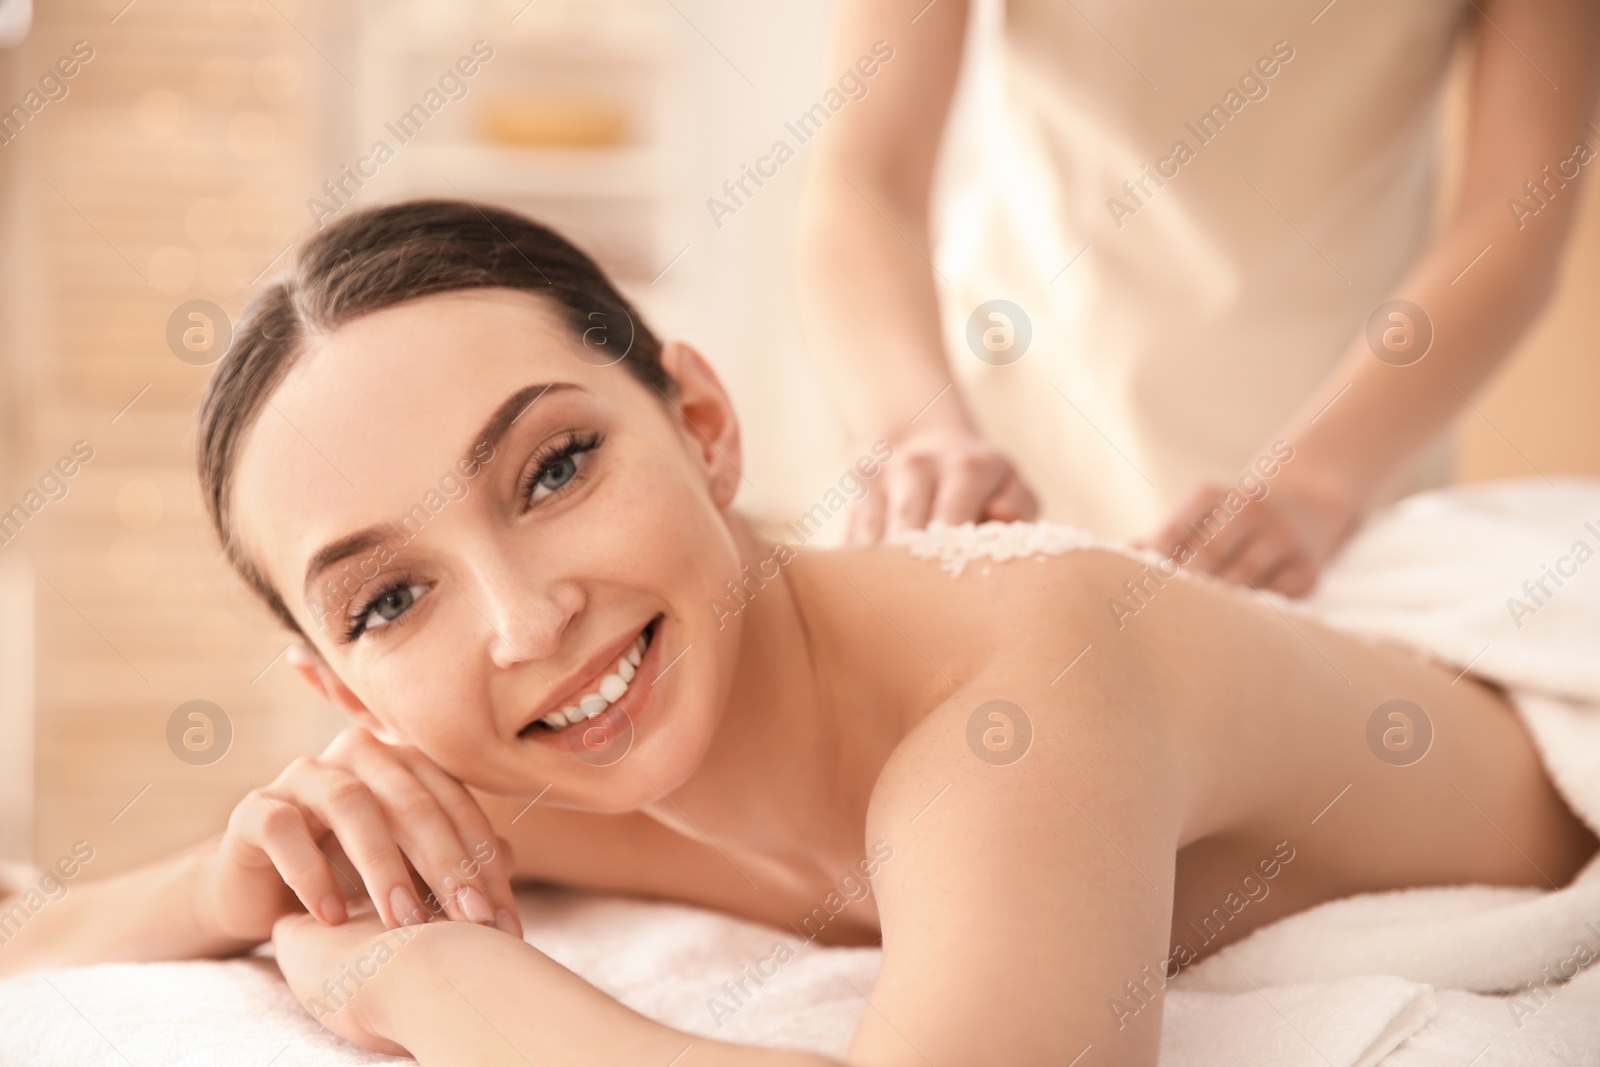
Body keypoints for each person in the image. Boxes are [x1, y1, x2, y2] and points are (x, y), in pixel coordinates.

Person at [0, 202, 1593, 1066]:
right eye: (390, 598)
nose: (524, 617)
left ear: (700, 421)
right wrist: (234, 877)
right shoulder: (491, 766)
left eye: (555, 467)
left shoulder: (1011, 698)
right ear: (337, 685)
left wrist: (429, 982)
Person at [795, 0, 1600, 596]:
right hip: (1000, 447)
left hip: (1344, 483)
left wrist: (1318, 486)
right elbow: (867, 180)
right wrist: (919, 433)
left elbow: (1515, 216)